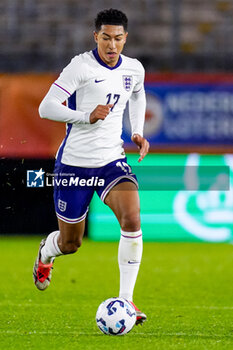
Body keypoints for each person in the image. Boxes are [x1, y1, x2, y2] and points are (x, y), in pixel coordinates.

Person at [33, 8, 149, 326]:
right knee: (71, 243)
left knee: (132, 217)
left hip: (111, 161)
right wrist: (86, 116)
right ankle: (46, 252)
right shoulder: (80, 67)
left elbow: (138, 96)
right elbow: (46, 107)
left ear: (126, 38)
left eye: (119, 39)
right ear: (95, 36)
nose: (112, 45)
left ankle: (126, 301)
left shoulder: (134, 69)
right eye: (106, 38)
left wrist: (137, 131)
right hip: (74, 164)